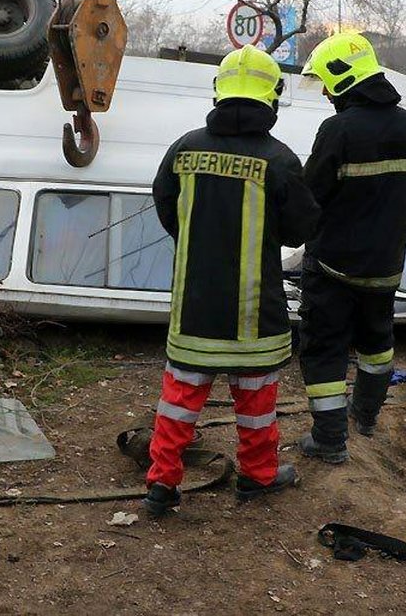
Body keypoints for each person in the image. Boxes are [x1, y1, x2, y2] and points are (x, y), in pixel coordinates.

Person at [143, 44, 320, 516]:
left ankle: (161, 486)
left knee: (179, 402)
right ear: (272, 99)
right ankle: (257, 478)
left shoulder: (184, 148)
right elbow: (302, 229)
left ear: (219, 92)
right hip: (253, 313)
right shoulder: (279, 159)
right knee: (257, 402)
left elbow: (166, 205)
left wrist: (197, 238)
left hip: (194, 307)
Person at [296, 32, 406, 464]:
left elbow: (309, 196)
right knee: (377, 344)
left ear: (340, 78)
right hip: (386, 267)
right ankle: (366, 416)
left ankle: (330, 440)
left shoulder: (338, 130)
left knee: (324, 349)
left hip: (334, 267)